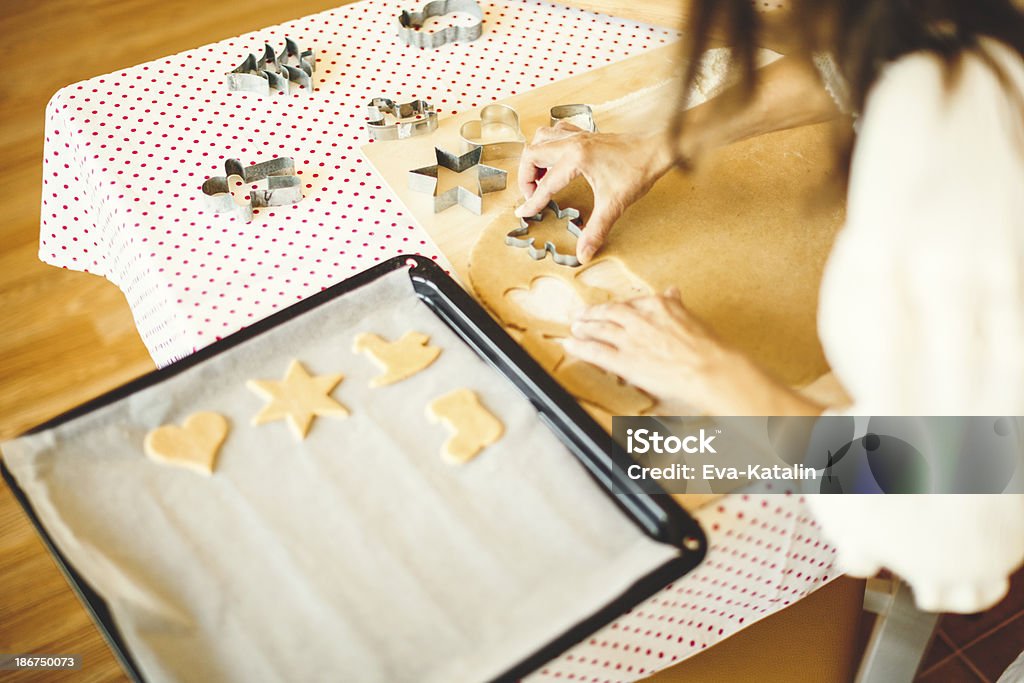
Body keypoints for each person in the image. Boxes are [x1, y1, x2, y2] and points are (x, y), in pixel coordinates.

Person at [517, 0, 1024, 612]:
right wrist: (655, 144)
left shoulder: (962, 144)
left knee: (614, 472)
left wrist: (713, 378)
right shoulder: (942, 38)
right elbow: (862, 61)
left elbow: (955, 523)